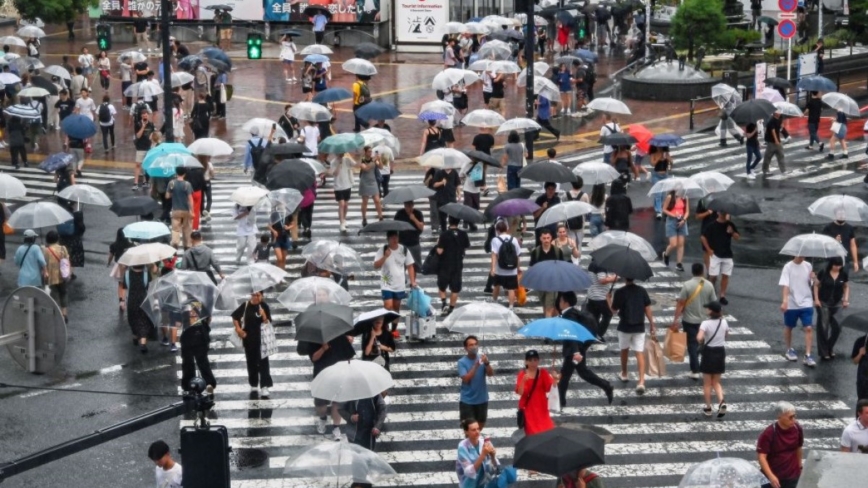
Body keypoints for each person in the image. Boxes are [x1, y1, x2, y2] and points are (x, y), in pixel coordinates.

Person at [557, 292, 614, 407]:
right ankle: (606, 386)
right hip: (577, 348)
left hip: (574, 350)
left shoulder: (569, 315)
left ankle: (561, 401)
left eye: (560, 300)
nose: (559, 303)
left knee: (566, 375)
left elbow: (572, 335)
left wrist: (576, 352)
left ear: (565, 302)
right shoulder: (571, 312)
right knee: (580, 373)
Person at [611, 277, 655, 394]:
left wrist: (608, 299)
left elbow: (613, 310)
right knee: (639, 353)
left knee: (624, 350)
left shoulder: (620, 292)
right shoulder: (642, 291)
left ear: (625, 278)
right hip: (639, 326)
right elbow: (647, 308)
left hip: (624, 326)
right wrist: (652, 324)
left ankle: (624, 373)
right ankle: (641, 381)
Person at [310, 335, 355, 439]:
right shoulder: (314, 338)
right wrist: (323, 348)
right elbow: (313, 358)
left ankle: (336, 427)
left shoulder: (341, 336)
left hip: (339, 374)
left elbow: (349, 356)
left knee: (337, 402)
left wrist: (349, 344)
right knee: (320, 403)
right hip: (321, 375)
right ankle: (322, 418)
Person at [373, 231, 417, 338]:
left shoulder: (404, 250)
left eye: (396, 237)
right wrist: (385, 256)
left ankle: (393, 330)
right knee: (388, 306)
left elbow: (410, 266)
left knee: (396, 308)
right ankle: (385, 328)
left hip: (399, 284)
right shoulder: (383, 250)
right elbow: (376, 265)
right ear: (388, 239)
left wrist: (412, 281)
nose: (394, 240)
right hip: (386, 283)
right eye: (392, 238)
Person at [232, 291, 274, 397]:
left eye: (258, 295)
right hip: (249, 340)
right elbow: (235, 317)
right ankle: (253, 384)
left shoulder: (264, 306)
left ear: (262, 296)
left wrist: (264, 315)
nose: (255, 297)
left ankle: (264, 385)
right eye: (253, 295)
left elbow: (268, 323)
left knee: (264, 363)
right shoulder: (246, 305)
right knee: (251, 363)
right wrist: (238, 329)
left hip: (262, 340)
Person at [779, 255, 816, 367]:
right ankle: (789, 349)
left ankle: (808, 355)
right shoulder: (788, 267)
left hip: (806, 302)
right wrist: (785, 301)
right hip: (792, 303)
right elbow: (785, 285)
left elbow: (814, 284)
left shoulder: (809, 265)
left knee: (808, 328)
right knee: (789, 327)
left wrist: (814, 278)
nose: (802, 257)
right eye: (800, 255)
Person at [757, 401, 804, 488]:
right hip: (774, 477)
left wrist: (800, 467)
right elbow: (762, 457)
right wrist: (771, 476)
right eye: (790, 417)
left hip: (792, 476)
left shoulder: (797, 429)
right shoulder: (769, 433)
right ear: (780, 417)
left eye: (795, 416)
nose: (794, 420)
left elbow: (798, 448)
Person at [697, 300, 729, 417]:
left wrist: (702, 340)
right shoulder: (724, 322)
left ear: (710, 311)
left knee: (707, 383)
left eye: (708, 308)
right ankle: (721, 401)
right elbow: (726, 335)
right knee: (716, 382)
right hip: (720, 352)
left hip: (709, 352)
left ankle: (708, 407)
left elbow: (699, 337)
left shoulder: (705, 323)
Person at [813, 256, 848, 361]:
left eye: (839, 265)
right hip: (824, 302)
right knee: (823, 328)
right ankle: (824, 352)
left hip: (837, 303)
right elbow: (816, 285)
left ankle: (829, 347)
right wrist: (816, 299)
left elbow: (846, 286)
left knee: (837, 327)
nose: (837, 267)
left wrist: (845, 299)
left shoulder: (843, 274)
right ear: (831, 264)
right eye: (835, 265)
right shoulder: (823, 273)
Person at [701, 211, 739, 304]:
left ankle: (722, 296)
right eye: (721, 212)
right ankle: (710, 295)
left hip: (727, 254)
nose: (723, 214)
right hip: (715, 254)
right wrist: (709, 249)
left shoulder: (730, 224)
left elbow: (737, 237)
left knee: (725, 275)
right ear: (718, 213)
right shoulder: (712, 225)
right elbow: (703, 237)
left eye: (725, 212)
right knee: (713, 276)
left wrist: (732, 232)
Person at [529, 228, 568, 317]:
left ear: (551, 238)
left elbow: (561, 266)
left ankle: (548, 327)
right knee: (545, 306)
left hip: (553, 283)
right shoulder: (536, 252)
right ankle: (550, 321)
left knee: (549, 307)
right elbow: (532, 267)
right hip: (540, 284)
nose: (546, 240)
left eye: (548, 238)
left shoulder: (557, 251)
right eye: (544, 238)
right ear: (540, 239)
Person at [436, 217, 471, 316]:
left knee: (441, 286)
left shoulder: (444, 234)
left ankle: (444, 303)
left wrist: (438, 243)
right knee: (455, 288)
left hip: (445, 265)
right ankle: (451, 309)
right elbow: (465, 248)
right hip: (457, 265)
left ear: (449, 221)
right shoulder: (463, 234)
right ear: (459, 222)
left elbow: (440, 251)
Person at [515, 349, 555, 435]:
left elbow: (549, 388)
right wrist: (523, 381)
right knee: (532, 434)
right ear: (526, 362)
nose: (533, 363)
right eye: (530, 360)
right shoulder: (522, 374)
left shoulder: (543, 373)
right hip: (529, 410)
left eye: (535, 360)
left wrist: (555, 379)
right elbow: (520, 392)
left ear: (538, 361)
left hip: (542, 408)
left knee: (547, 431)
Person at [458, 335, 493, 430]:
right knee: (469, 429)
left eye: (476, 344)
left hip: (482, 399)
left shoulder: (482, 358)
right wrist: (476, 365)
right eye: (471, 345)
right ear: (466, 348)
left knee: (479, 428)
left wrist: (486, 363)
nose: (474, 347)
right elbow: (466, 379)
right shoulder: (462, 362)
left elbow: (490, 374)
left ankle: (475, 444)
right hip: (467, 401)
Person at [179, 304, 216, 393]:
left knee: (190, 362)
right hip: (196, 336)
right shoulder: (203, 301)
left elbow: (178, 322)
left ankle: (189, 385)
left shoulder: (183, 303)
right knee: (199, 361)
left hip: (192, 336)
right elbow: (208, 319)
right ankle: (208, 383)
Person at [456, 418, 499, 488]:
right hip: (469, 484)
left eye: (478, 429)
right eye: (473, 430)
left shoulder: (485, 442)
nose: (477, 432)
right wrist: (483, 455)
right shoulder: (462, 447)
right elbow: (469, 472)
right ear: (466, 432)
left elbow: (495, 466)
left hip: (485, 482)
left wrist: (493, 456)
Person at [490, 219, 522, 310]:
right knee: (511, 288)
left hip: (500, 269)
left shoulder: (495, 240)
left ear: (497, 230)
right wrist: (518, 268)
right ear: (506, 229)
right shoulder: (514, 239)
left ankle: (495, 301)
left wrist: (493, 268)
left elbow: (494, 255)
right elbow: (518, 255)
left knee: (496, 285)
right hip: (512, 269)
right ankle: (511, 306)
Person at [126, 262, 156, 353]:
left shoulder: (127, 274)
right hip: (143, 300)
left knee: (133, 318)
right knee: (143, 321)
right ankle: (143, 343)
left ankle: (135, 336)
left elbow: (124, 286)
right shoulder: (146, 275)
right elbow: (150, 287)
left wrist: (122, 301)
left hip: (131, 300)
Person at [43, 230, 71, 323]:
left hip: (51, 276)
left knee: (53, 296)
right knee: (63, 293)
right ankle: (64, 314)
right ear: (57, 239)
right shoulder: (63, 248)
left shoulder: (46, 250)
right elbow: (67, 260)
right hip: (63, 275)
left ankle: (56, 314)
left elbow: (44, 263)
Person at [661, 188, 689, 273]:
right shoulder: (670, 197)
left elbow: (687, 211)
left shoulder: (685, 198)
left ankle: (679, 264)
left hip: (682, 221)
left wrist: (683, 220)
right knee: (673, 244)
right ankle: (666, 254)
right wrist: (673, 215)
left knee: (681, 244)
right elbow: (664, 209)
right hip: (671, 220)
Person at [166, 167, 194, 249]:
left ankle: (175, 243)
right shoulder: (187, 184)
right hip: (186, 210)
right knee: (187, 228)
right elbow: (190, 199)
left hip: (175, 209)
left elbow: (167, 196)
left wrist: (173, 194)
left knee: (175, 228)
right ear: (185, 174)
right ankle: (187, 245)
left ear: (176, 172)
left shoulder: (171, 183)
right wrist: (192, 211)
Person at [330, 151, 356, 232]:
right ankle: (341, 223)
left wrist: (350, 156)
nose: (341, 154)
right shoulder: (333, 162)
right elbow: (335, 173)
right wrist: (339, 164)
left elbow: (355, 164)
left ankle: (344, 219)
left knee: (346, 205)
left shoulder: (347, 160)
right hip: (338, 186)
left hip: (347, 184)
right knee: (342, 204)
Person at [107, 228, 133, 311]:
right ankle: (127, 298)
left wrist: (108, 263)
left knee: (121, 284)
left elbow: (111, 256)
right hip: (128, 266)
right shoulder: (130, 245)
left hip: (119, 266)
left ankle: (121, 300)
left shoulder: (114, 245)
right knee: (128, 284)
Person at [395, 200, 424, 271]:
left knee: (416, 266)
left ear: (413, 205)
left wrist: (414, 219)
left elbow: (421, 227)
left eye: (410, 206)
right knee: (401, 265)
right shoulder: (399, 214)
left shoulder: (418, 213)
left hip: (414, 243)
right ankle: (403, 280)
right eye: (407, 206)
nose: (409, 208)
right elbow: (395, 227)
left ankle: (413, 281)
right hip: (402, 243)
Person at [358, 146, 383, 227]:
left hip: (373, 181)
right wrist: (373, 160)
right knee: (365, 201)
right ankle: (364, 218)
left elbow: (381, 167)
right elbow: (366, 168)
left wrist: (379, 160)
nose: (370, 153)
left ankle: (380, 216)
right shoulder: (362, 160)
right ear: (365, 152)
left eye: (371, 151)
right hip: (365, 181)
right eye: (368, 151)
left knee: (377, 200)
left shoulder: (373, 159)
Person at [432, 167, 460, 233]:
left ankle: (451, 231)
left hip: (452, 197)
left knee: (453, 216)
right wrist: (442, 182)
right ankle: (443, 231)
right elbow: (434, 185)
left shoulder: (454, 172)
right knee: (442, 217)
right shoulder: (439, 172)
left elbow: (457, 184)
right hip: (441, 198)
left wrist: (459, 193)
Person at [132, 111, 155, 190]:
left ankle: (146, 181)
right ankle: (135, 183)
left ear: (148, 116)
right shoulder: (138, 124)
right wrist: (143, 127)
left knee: (147, 165)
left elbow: (152, 135)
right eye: (143, 115)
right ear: (141, 116)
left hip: (149, 147)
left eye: (146, 115)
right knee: (138, 165)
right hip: (140, 147)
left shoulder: (151, 124)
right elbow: (138, 136)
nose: (145, 116)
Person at [761, 110, 787, 176]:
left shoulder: (779, 119)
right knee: (768, 156)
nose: (780, 113)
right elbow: (773, 131)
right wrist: (776, 140)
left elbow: (779, 130)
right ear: (775, 113)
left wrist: (781, 127)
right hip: (771, 142)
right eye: (778, 112)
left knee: (781, 156)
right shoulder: (771, 121)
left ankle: (783, 170)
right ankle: (765, 170)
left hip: (778, 142)